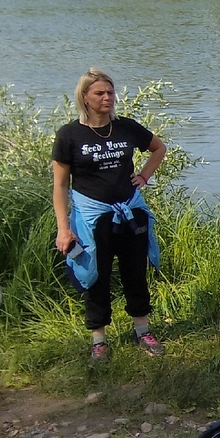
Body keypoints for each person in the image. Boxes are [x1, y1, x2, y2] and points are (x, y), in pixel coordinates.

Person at [52, 68, 167, 364]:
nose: (107, 98)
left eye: (110, 92)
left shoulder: (126, 127)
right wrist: (64, 229)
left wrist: (143, 175)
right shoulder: (69, 135)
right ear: (85, 98)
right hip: (92, 218)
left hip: (130, 212)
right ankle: (99, 339)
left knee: (135, 272)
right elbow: (61, 185)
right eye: (99, 93)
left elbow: (158, 148)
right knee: (95, 277)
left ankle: (142, 331)